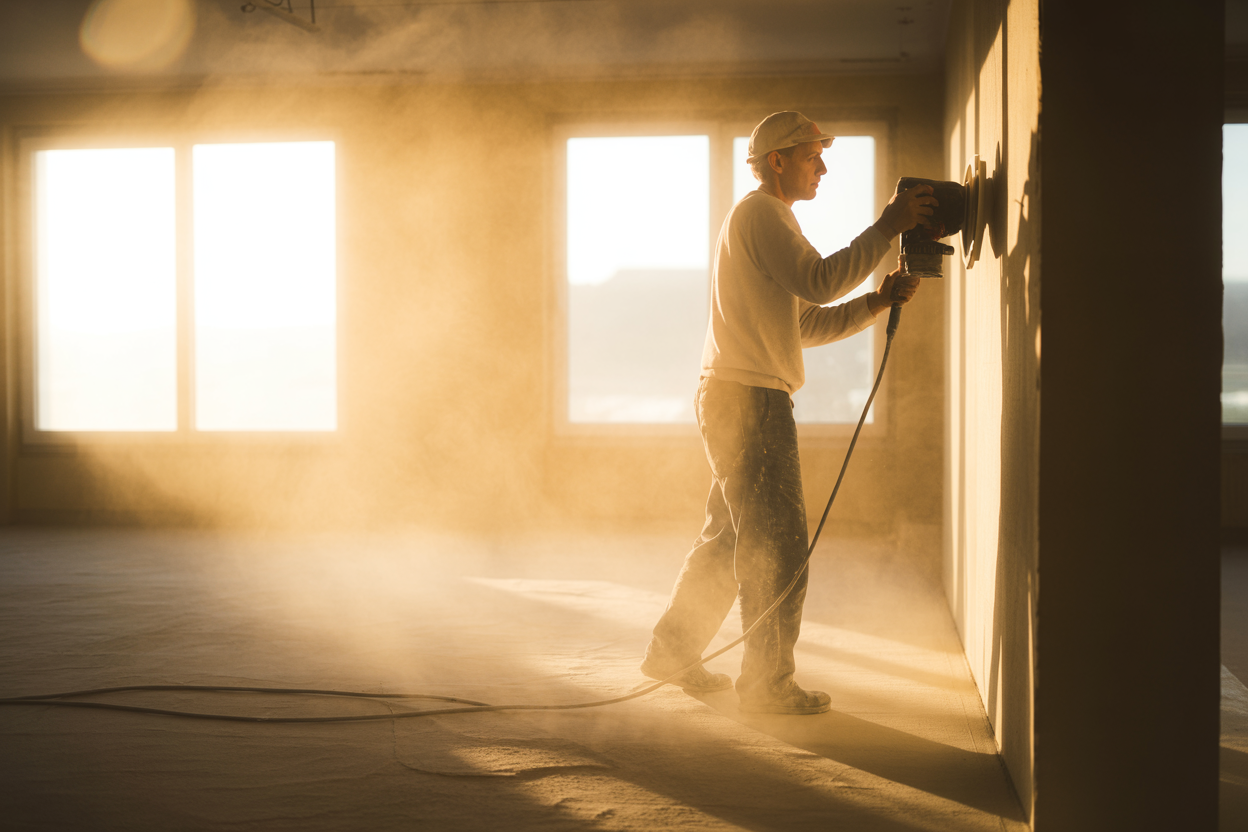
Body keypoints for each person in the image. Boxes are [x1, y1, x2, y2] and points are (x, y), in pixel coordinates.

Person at [639, 111, 935, 715]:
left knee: (730, 539)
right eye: (810, 156)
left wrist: (876, 301)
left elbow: (803, 320)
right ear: (777, 160)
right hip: (749, 400)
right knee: (778, 542)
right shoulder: (763, 214)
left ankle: (672, 650)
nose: (822, 166)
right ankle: (768, 682)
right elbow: (821, 281)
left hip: (734, 393)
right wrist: (886, 227)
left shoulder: (764, 220)